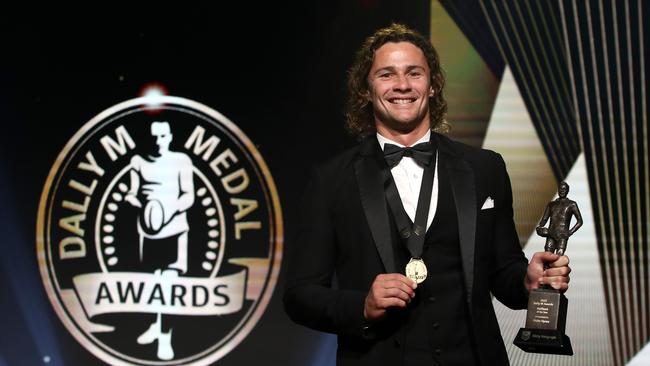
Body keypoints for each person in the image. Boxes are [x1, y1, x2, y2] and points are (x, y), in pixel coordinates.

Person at [283, 23, 571, 366]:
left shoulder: (485, 168)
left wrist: (528, 280)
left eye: (414, 73)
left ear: (433, 85)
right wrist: (362, 305)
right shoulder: (331, 179)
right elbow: (300, 296)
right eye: (387, 74)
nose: (402, 85)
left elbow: (503, 272)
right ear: (366, 89)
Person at [125, 121, 195, 360]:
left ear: (170, 136)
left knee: (169, 286)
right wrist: (140, 205)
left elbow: (189, 196)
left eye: (163, 136)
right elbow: (132, 193)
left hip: (175, 230)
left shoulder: (182, 161)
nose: (158, 141)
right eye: (154, 137)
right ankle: (155, 325)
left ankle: (165, 337)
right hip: (148, 232)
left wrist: (167, 211)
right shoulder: (138, 161)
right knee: (153, 285)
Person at [536, 181, 583, 256]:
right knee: (547, 258)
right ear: (558, 190)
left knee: (559, 259)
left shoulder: (572, 204)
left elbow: (580, 221)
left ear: (567, 191)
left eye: (564, 189)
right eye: (560, 189)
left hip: (562, 236)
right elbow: (544, 220)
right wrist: (539, 228)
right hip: (550, 234)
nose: (562, 191)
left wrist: (570, 232)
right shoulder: (551, 204)